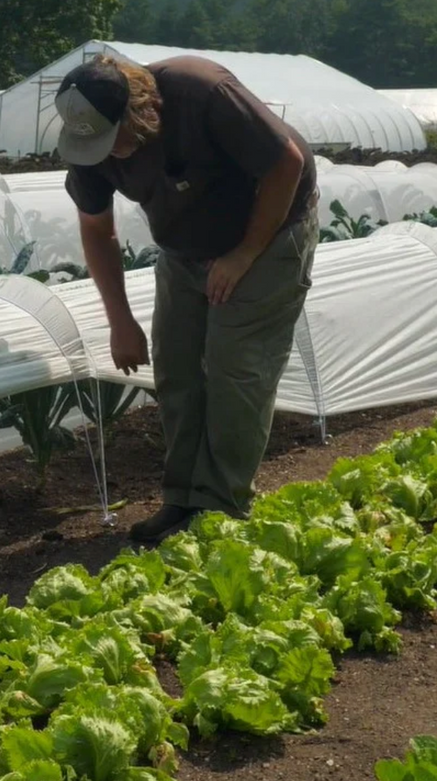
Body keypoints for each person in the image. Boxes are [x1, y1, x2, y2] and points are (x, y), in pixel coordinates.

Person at [55, 52, 318, 544]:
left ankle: (221, 510)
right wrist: (120, 321)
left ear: (143, 110)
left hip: (269, 230)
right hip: (184, 247)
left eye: (118, 141)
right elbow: (97, 231)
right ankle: (182, 499)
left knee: (235, 372)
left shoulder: (201, 92)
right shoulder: (89, 144)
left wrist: (243, 255)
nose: (111, 155)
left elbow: (287, 162)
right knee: (176, 370)